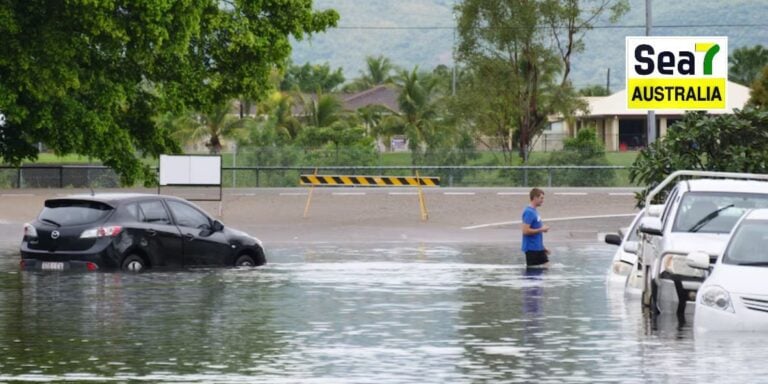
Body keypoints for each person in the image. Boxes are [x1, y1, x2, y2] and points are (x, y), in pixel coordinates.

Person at [521, 187, 550, 267]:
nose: (542, 200)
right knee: (533, 275)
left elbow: (537, 231)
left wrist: (543, 247)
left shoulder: (534, 211)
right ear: (535, 198)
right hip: (531, 249)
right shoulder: (529, 212)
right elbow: (525, 231)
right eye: (541, 198)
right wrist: (542, 229)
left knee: (546, 268)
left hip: (538, 248)